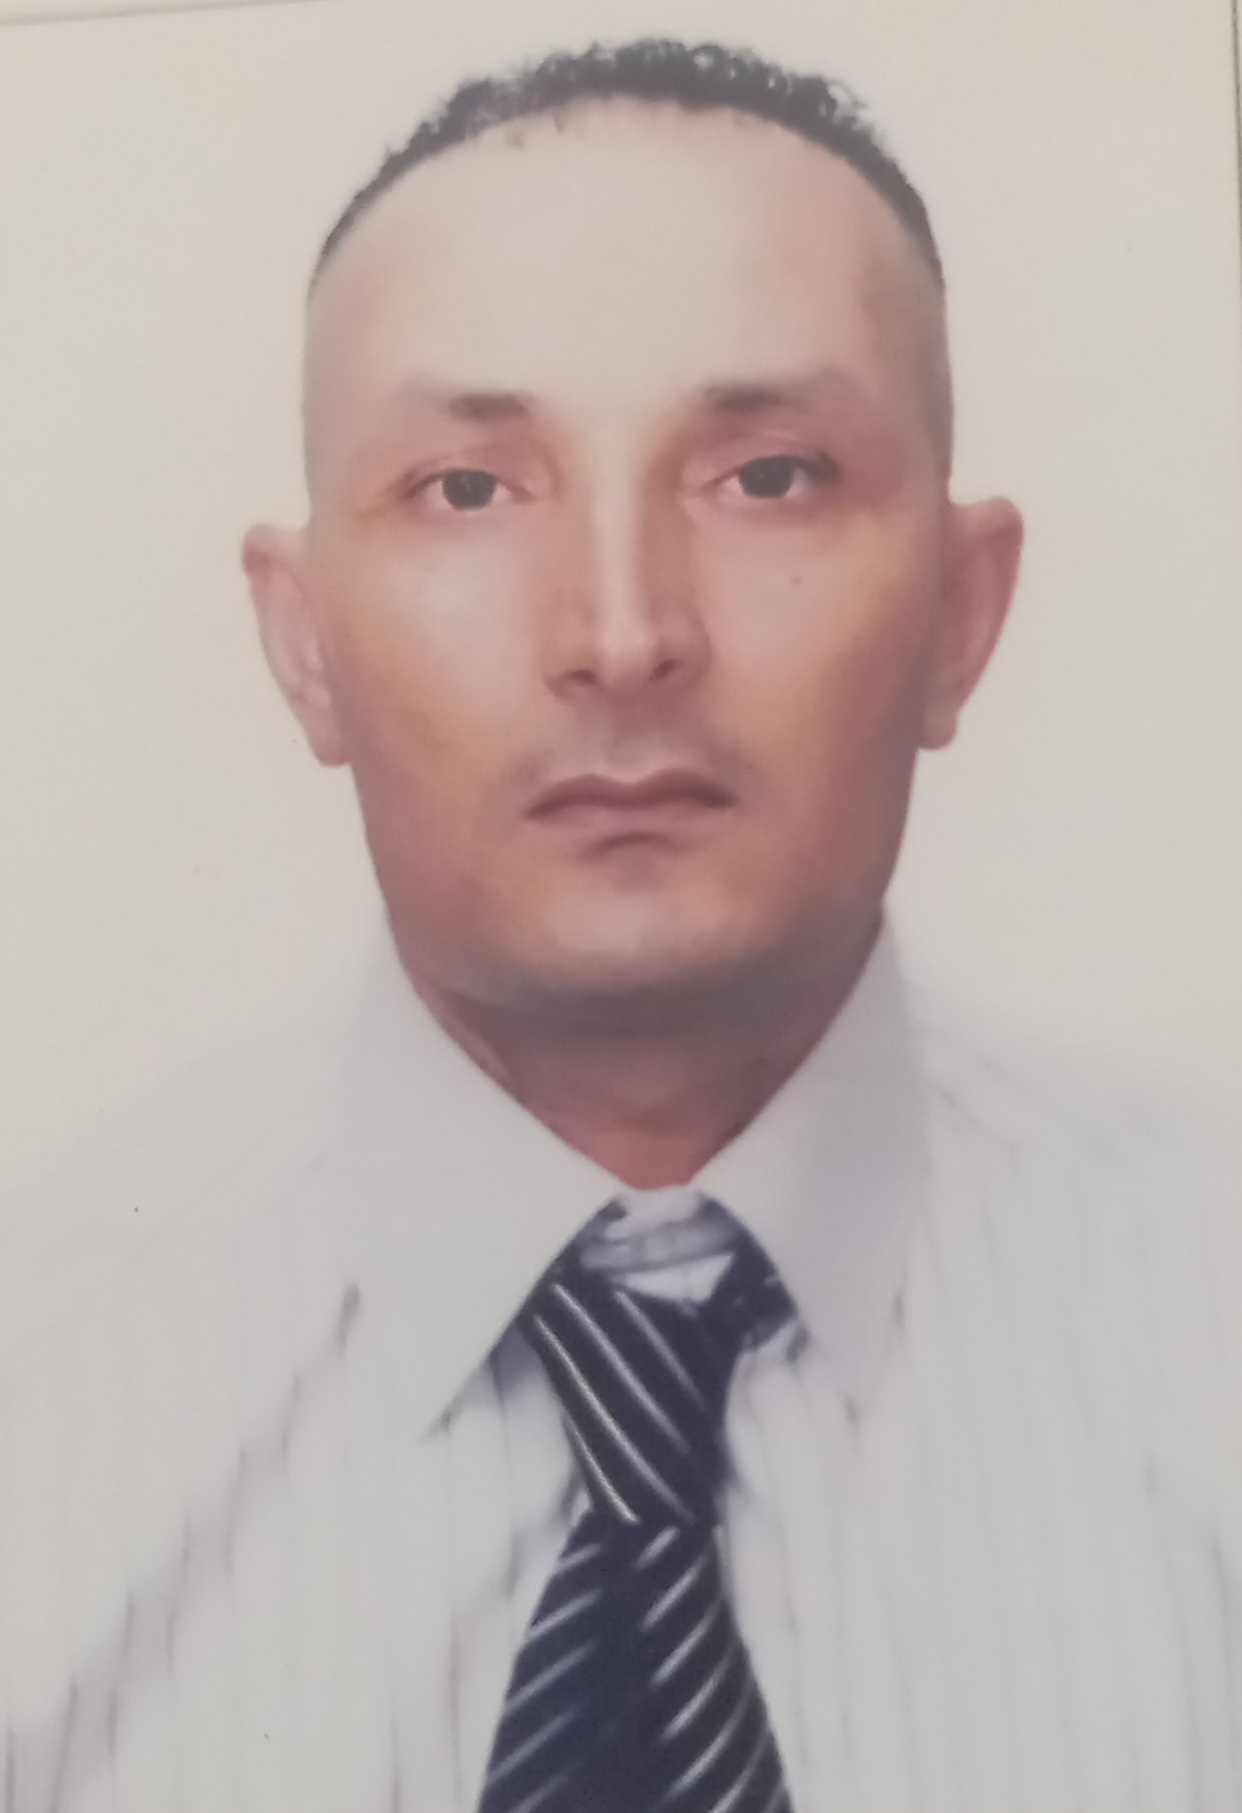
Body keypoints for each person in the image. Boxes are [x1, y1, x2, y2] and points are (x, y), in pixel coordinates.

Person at [1, 35, 1237, 1813]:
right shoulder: (39, 1411)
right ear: (302, 641)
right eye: (469, 489)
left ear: (962, 615)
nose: (622, 630)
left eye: (768, 476)